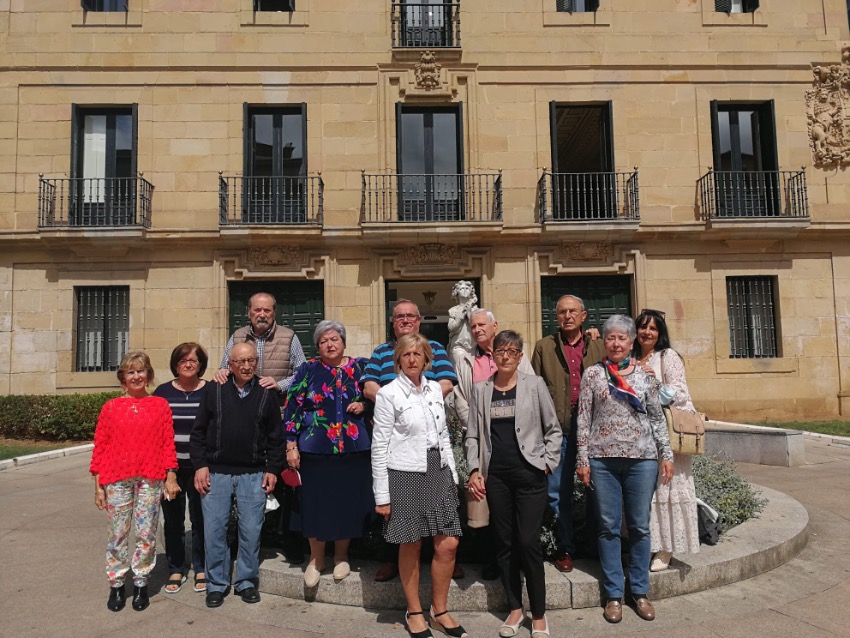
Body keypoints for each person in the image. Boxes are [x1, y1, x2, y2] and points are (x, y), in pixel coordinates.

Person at [576, 315, 674, 624]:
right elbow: (583, 418)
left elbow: (657, 417)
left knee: (639, 526)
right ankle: (614, 594)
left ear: (631, 342)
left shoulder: (645, 376)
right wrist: (582, 459)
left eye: (622, 338)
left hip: (642, 460)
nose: (616, 343)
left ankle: (640, 591)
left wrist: (666, 454)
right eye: (611, 338)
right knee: (608, 527)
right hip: (602, 460)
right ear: (604, 341)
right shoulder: (593, 374)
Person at [465, 330, 562, 638]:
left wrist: (548, 462)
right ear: (493, 355)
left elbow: (553, 429)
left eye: (511, 351)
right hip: (496, 478)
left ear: (520, 356)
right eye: (500, 351)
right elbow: (472, 435)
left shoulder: (534, 385)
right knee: (504, 543)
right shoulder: (481, 390)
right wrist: (474, 469)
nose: (505, 356)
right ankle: (515, 609)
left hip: (530, 476)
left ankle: (539, 614)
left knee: (528, 542)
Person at [372, 333, 467, 638]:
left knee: (448, 543)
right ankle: (414, 611)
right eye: (406, 354)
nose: (412, 359)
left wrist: (453, 476)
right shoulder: (389, 394)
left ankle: (439, 610)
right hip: (405, 473)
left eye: (417, 354)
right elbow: (379, 446)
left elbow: (443, 436)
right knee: (411, 542)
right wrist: (382, 495)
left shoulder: (435, 390)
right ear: (398, 360)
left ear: (426, 358)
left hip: (438, 469)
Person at [362, 298, 459, 583]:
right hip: (399, 438)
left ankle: (444, 560)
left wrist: (420, 401)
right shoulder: (381, 351)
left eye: (410, 316)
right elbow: (369, 386)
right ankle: (391, 560)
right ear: (393, 322)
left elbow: (446, 382)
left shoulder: (435, 347)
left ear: (418, 320)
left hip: (430, 435)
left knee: (440, 515)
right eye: (399, 316)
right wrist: (395, 404)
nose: (405, 320)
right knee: (401, 517)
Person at [190, 342, 285, 608]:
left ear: (257, 363)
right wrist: (200, 465)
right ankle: (216, 584)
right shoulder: (214, 390)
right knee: (214, 531)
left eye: (251, 360)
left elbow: (276, 438)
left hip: (253, 474)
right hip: (216, 472)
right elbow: (198, 433)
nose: (246, 366)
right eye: (240, 361)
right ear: (230, 365)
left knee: (251, 531)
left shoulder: (266, 394)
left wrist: (272, 469)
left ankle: (246, 582)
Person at [283, 320, 374, 587]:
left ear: (343, 342)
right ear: (317, 346)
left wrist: (364, 405)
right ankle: (316, 558)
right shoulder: (308, 369)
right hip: (315, 448)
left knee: (346, 503)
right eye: (323, 341)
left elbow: (380, 398)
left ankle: (341, 556)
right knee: (315, 504)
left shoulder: (362, 367)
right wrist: (291, 444)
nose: (330, 344)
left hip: (353, 447)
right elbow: (293, 406)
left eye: (334, 339)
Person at [90, 351, 179, 613]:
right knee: (117, 534)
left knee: (146, 533)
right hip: (116, 478)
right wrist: (98, 487)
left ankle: (141, 582)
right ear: (123, 377)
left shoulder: (160, 405)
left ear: (148, 375)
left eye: (140, 371)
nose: (136, 376)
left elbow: (167, 443)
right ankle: (117, 584)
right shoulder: (111, 407)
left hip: (150, 477)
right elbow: (101, 447)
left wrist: (171, 475)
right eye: (131, 372)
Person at [531, 294, 605, 572]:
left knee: (596, 490)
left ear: (583, 316)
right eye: (562, 312)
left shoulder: (598, 346)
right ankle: (565, 547)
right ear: (556, 316)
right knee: (557, 492)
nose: (567, 316)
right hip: (558, 432)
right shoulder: (544, 347)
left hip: (594, 432)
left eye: (573, 311)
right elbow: (535, 389)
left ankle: (595, 545)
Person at [633, 309, 700, 572]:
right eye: (643, 327)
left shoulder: (667, 356)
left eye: (653, 328)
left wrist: (653, 380)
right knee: (645, 491)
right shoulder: (631, 357)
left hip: (665, 437)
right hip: (640, 436)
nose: (647, 332)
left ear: (660, 333)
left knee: (666, 489)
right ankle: (648, 543)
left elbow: (680, 394)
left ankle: (666, 548)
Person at [152, 342, 209, 594]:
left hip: (200, 468)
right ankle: (175, 567)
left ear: (200, 364)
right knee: (173, 520)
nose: (188, 364)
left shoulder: (211, 390)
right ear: (175, 365)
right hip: (169, 470)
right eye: (182, 361)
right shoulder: (162, 392)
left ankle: (201, 566)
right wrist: (167, 472)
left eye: (193, 360)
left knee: (200, 519)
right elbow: (155, 433)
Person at [214, 292, 306, 393]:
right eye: (257, 310)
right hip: (243, 401)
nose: (262, 315)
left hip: (277, 401)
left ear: (274, 313)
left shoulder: (289, 337)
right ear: (249, 313)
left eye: (267, 310)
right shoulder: (237, 336)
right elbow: (225, 368)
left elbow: (303, 374)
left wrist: (280, 385)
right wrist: (222, 372)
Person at [446, 280, 478, 368]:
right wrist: (460, 317)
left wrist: (469, 313)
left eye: (467, 288)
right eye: (462, 288)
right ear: (457, 292)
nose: (465, 290)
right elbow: (451, 328)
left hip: (473, 346)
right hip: (458, 345)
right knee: (461, 367)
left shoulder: (476, 309)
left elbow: (477, 325)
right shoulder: (453, 310)